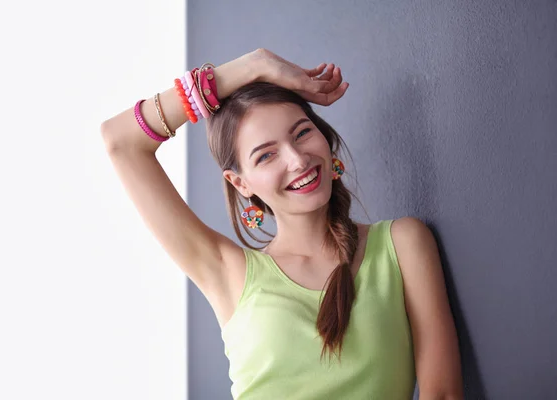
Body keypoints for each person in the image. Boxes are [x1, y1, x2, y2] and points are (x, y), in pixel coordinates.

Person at [101, 48, 463, 400]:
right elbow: (121, 141)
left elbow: (443, 393)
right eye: (266, 155)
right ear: (240, 183)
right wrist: (250, 66)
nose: (297, 159)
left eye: (302, 133)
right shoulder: (227, 272)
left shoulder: (402, 244)